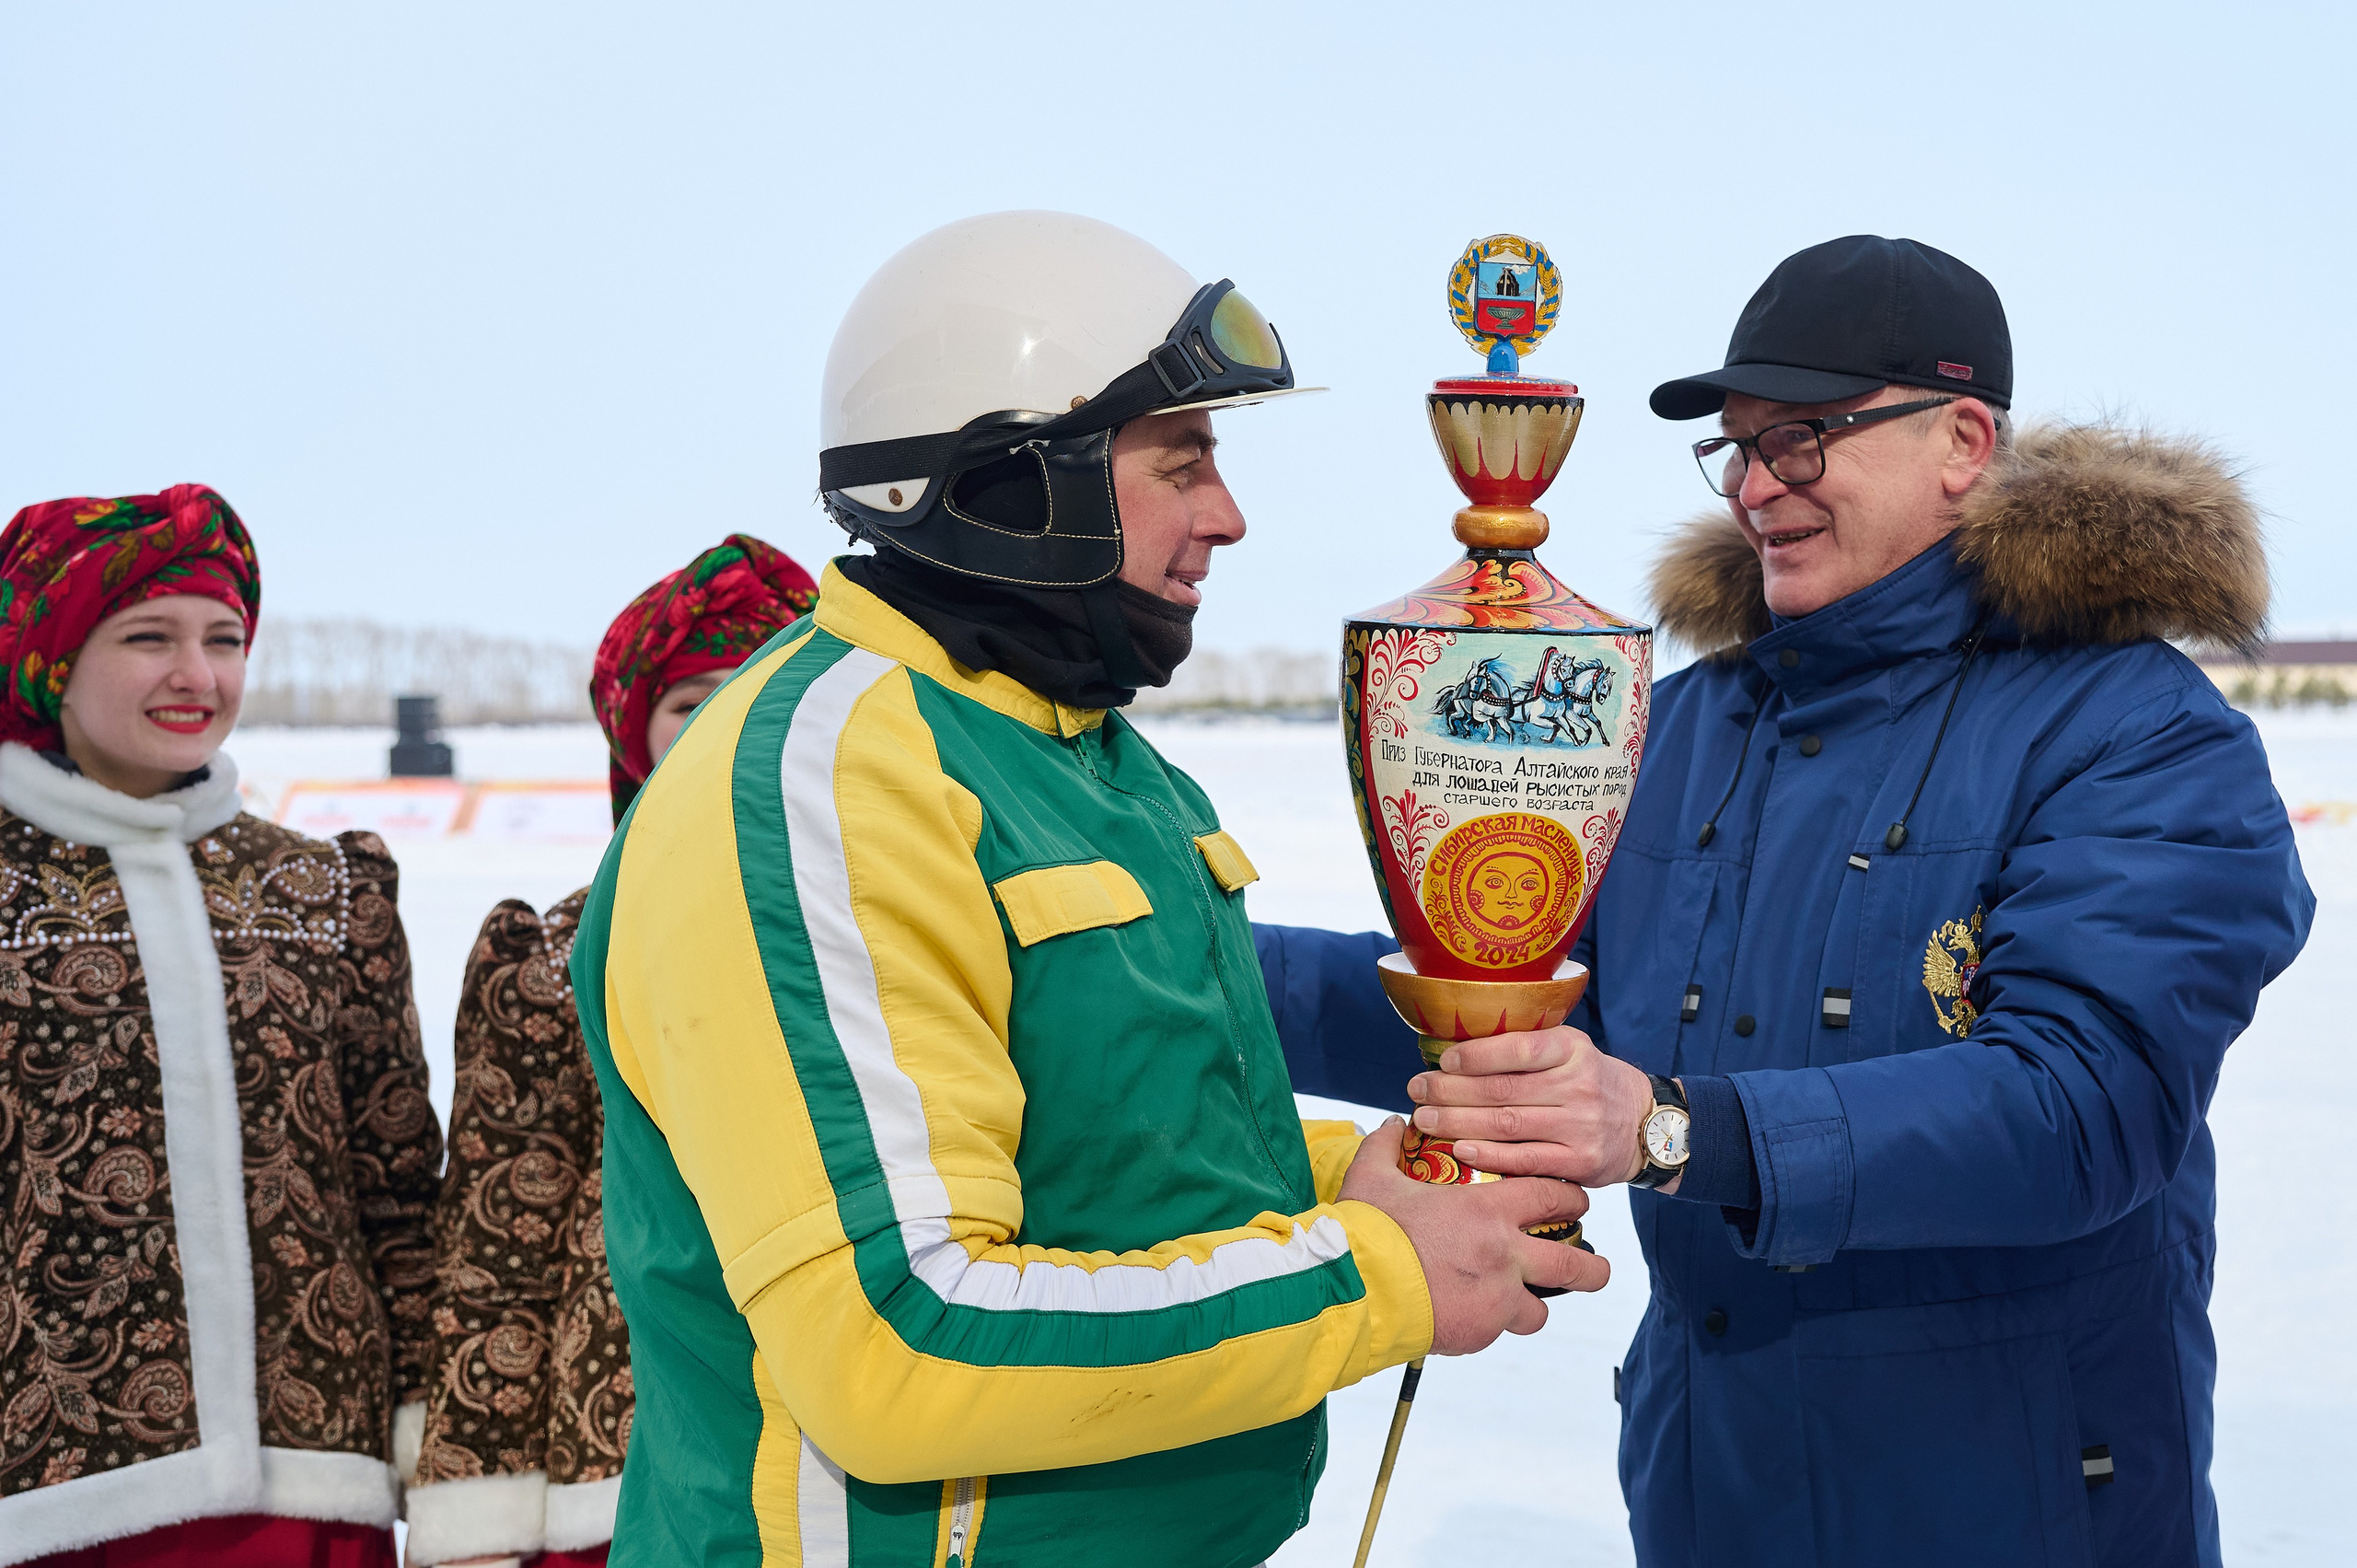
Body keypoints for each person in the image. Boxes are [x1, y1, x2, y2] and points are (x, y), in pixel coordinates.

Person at [571, 211, 1607, 1568]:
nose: (1227, 515)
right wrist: (1376, 1272)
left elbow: (1111, 1151)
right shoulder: (820, 786)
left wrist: (1345, 1179)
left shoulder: (1093, 759)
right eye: (1181, 464)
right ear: (1012, 480)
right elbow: (899, 1337)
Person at [1402, 236, 2314, 1566]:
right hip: (1712, 1497)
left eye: (1804, 437)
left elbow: (2081, 1107)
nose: (1756, 485)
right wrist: (1192, 956)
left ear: (1962, 442)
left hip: (2013, 1512)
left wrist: (1665, 1128)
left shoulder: (2136, 728)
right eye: (1737, 448)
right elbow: (1525, 1005)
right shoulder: (1681, 728)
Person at [0, 486, 441, 1568]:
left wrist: (439, 1434)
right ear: (48, 660)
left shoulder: (325, 888)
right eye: (148, 637)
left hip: (312, 1491)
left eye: (224, 639)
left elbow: (395, 1191)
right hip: (43, 1500)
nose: (197, 675)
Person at [403, 537, 818, 1568]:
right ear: (634, 737)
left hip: (866, 1447)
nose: (726, 722)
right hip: (619, 1470)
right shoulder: (551, 956)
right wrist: (475, 1509)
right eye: (690, 702)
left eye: (759, 686)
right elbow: (500, 1243)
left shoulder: (900, 922)